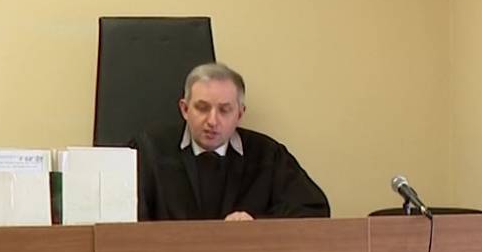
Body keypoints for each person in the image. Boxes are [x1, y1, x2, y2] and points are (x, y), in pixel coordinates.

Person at [126, 63, 331, 221]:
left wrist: (257, 224)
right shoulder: (148, 150)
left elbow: (313, 210)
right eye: (202, 108)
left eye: (224, 110)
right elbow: (123, 216)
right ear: (185, 109)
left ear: (240, 114)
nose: (212, 121)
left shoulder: (267, 154)